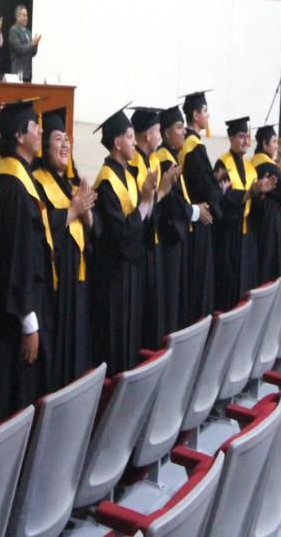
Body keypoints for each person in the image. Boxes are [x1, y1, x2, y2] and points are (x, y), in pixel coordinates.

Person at [0, 98, 56, 436]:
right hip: (12, 319)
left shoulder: (8, 180)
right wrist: (29, 322)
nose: (40, 131)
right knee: (11, 399)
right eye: (35, 127)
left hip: (5, 310)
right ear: (20, 136)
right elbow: (18, 259)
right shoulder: (15, 190)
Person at [91, 105, 172, 373]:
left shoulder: (125, 175)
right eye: (128, 137)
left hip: (129, 273)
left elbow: (140, 221)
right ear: (116, 143)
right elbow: (120, 234)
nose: (133, 143)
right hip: (114, 276)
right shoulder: (106, 181)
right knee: (115, 344)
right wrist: (147, 200)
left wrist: (152, 197)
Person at [31, 107, 96, 386]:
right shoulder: (37, 183)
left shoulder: (72, 184)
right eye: (59, 138)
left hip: (77, 283)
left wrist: (88, 215)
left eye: (67, 139)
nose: (66, 144)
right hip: (55, 285)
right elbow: (39, 229)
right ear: (46, 147)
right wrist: (71, 211)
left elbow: (92, 234)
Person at [129, 107, 186, 345]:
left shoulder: (152, 161)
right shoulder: (134, 167)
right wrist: (161, 191)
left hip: (154, 246)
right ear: (145, 137)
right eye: (156, 131)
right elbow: (140, 207)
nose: (159, 136)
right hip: (140, 249)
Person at [155, 105, 211, 330]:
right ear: (166, 133)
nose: (184, 132)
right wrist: (196, 212)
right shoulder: (164, 160)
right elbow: (173, 203)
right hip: (168, 243)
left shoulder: (171, 157)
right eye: (179, 128)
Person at [212, 116, 274, 311]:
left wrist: (262, 195)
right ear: (230, 138)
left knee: (246, 282)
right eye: (241, 136)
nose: (246, 141)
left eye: (247, 136)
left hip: (248, 236)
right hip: (228, 235)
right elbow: (224, 198)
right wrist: (250, 193)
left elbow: (255, 206)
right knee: (227, 285)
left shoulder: (250, 167)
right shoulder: (222, 164)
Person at [178, 90, 222, 321]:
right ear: (195, 115)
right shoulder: (194, 147)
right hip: (199, 222)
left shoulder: (185, 144)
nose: (208, 115)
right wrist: (218, 189)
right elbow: (207, 189)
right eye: (205, 111)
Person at [251, 124, 281, 283]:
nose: (277, 145)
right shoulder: (268, 166)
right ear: (264, 144)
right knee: (270, 263)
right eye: (274, 142)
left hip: (260, 219)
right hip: (271, 221)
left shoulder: (254, 162)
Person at [8, 5, 40, 82]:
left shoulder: (28, 32)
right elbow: (19, 50)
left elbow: (33, 53)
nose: (26, 18)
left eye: (27, 15)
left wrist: (36, 44)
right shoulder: (14, 30)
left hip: (28, 73)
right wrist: (32, 44)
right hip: (18, 73)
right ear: (18, 17)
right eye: (24, 15)